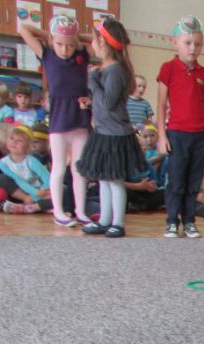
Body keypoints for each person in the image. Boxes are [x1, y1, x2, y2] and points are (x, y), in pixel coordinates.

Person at [19, 16, 93, 227]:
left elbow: (99, 38)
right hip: (59, 121)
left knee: (79, 169)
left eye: (70, 45)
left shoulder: (82, 55)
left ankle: (81, 212)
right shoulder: (47, 54)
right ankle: (59, 212)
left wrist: (75, 37)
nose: (65, 49)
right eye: (60, 44)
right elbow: (23, 28)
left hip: (80, 119)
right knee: (58, 168)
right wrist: (50, 36)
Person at [76, 18, 147, 238]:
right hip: (104, 133)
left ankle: (118, 223)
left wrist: (92, 80)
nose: (92, 43)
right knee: (104, 179)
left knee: (115, 181)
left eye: (95, 39)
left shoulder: (115, 70)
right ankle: (105, 220)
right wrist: (91, 102)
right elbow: (106, 103)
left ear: (103, 42)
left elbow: (108, 102)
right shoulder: (109, 68)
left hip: (115, 136)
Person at [156, 15, 204, 239]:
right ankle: (172, 221)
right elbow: (161, 104)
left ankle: (189, 221)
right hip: (177, 134)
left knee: (194, 181)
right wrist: (162, 136)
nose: (193, 48)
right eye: (188, 43)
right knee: (176, 180)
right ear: (175, 43)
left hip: (200, 135)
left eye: (197, 44)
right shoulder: (168, 68)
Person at [0, 123, 52, 214]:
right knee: (0, 178)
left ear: (28, 145)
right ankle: (30, 203)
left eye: (20, 140)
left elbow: (48, 178)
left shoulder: (31, 161)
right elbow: (18, 180)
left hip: (42, 191)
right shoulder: (3, 163)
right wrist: (29, 196)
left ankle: (34, 206)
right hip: (24, 193)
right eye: (11, 138)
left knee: (62, 193)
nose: (14, 142)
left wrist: (38, 194)